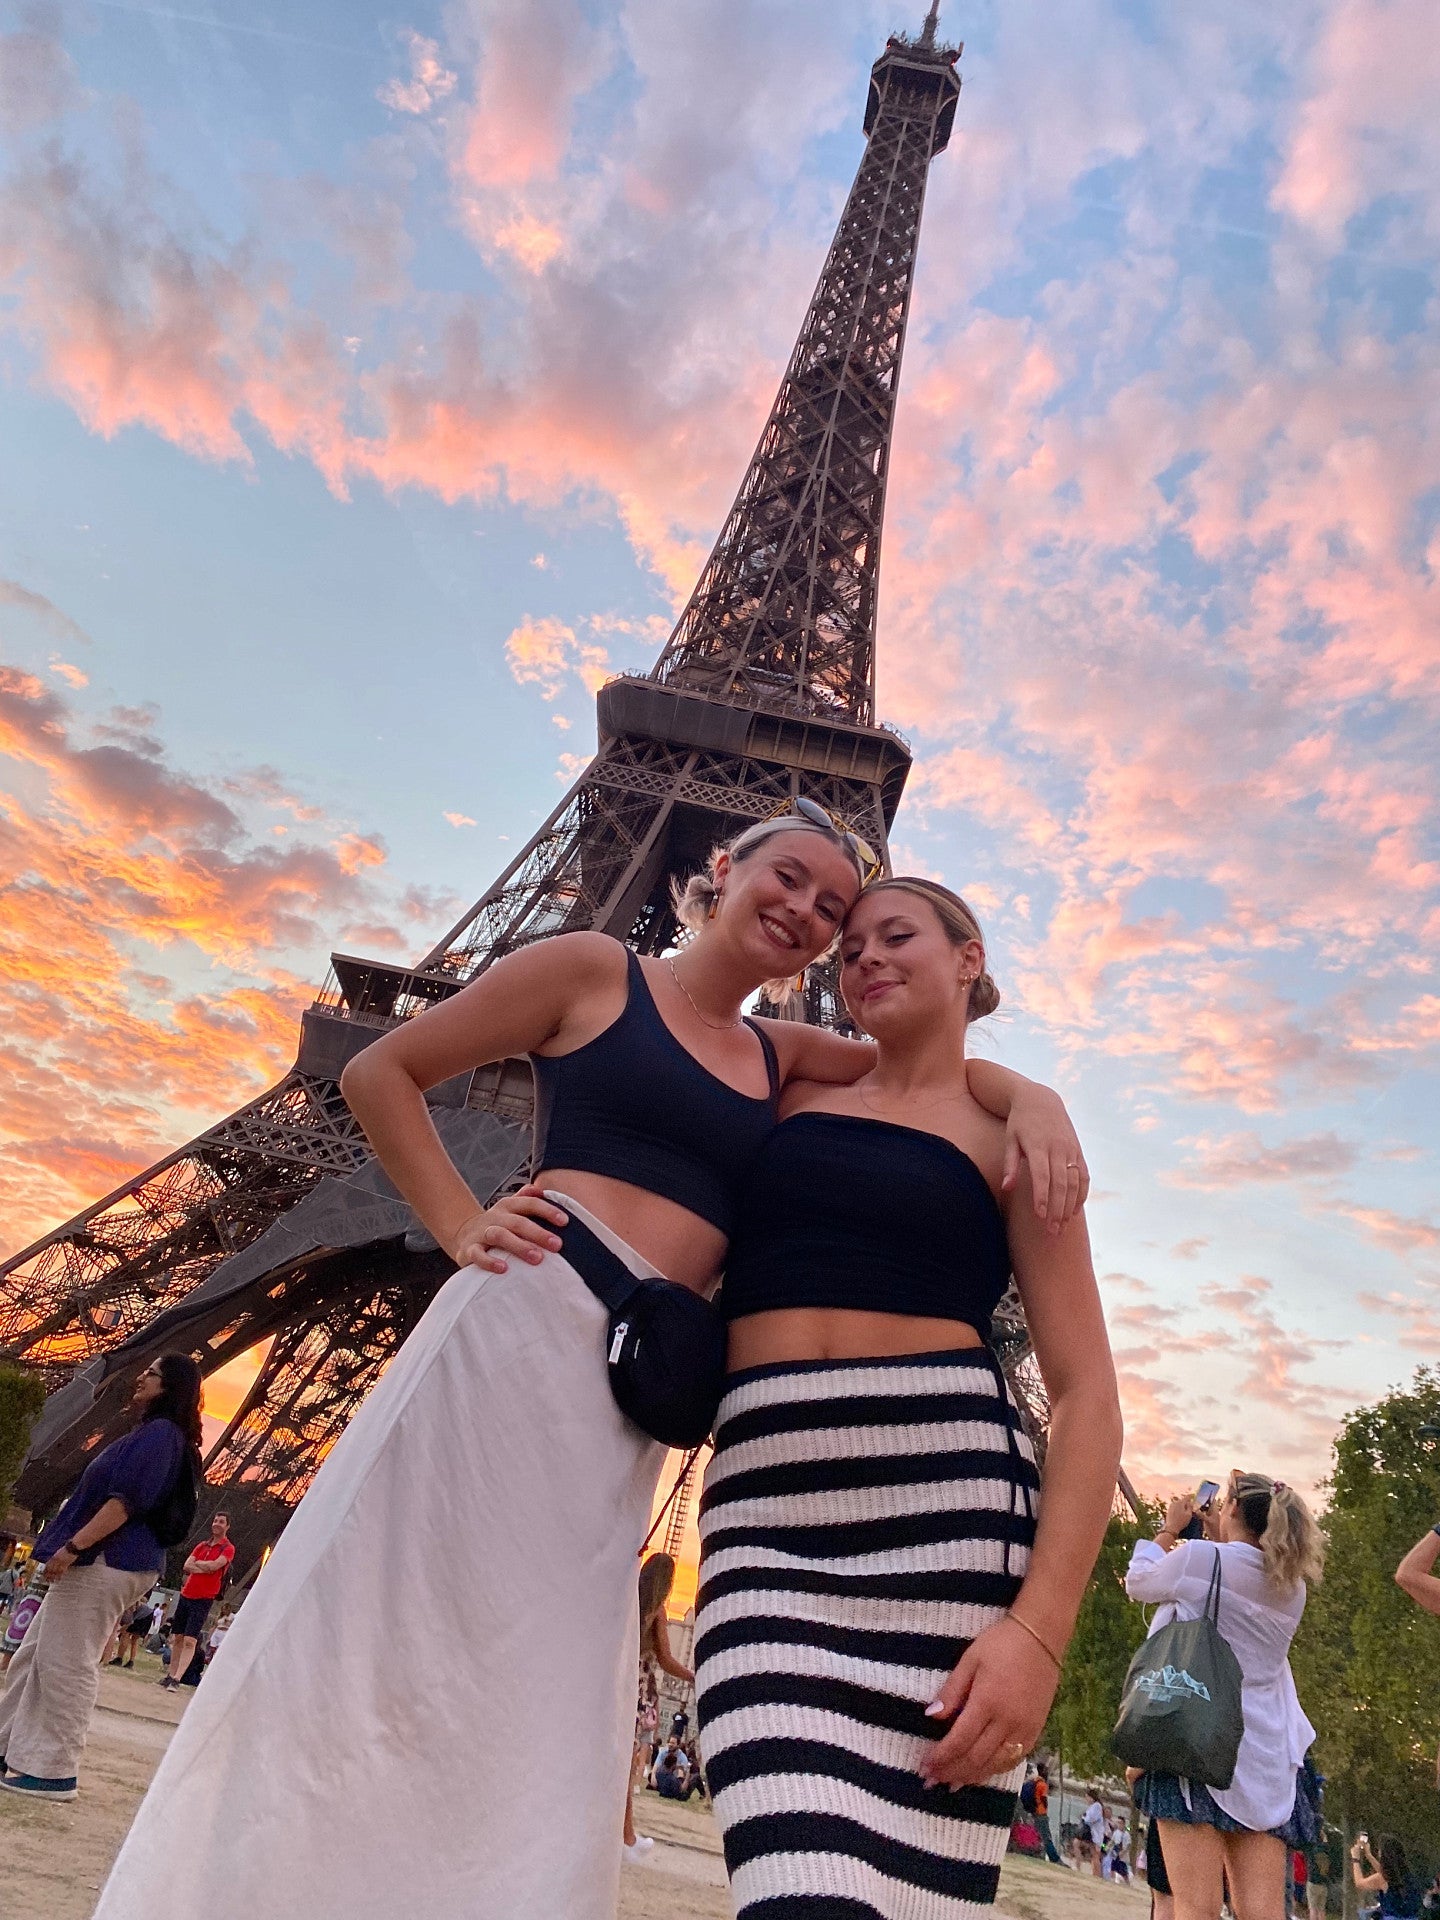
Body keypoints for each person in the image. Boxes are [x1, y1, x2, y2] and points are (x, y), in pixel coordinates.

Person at [93, 814, 1085, 1920]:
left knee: (545, 1691)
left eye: (837, 912)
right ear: (720, 869)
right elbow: (382, 1069)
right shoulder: (591, 968)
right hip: (520, 1331)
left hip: (627, 1396)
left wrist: (1036, 1100)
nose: (814, 919)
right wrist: (460, 1222)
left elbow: (935, 1071)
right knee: (376, 1629)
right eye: (788, 878)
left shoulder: (784, 1057)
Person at [694, 877, 1124, 1918]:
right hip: (766, 1540)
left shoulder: (1011, 1142)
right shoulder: (790, 1082)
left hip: (947, 1546)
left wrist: (1038, 1636)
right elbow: (666, 1069)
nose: (865, 961)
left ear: (968, 961)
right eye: (849, 953)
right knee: (793, 1890)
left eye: (898, 938)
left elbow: (1086, 1391)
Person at [1125, 1472, 1325, 1920]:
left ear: (1230, 1507)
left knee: (1195, 1907)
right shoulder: (1292, 1587)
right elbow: (1239, 1580)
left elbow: (1138, 1582)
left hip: (1198, 1741)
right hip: (1263, 1755)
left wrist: (1169, 1530)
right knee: (1261, 1911)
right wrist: (1219, 1540)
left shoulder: (1199, 1559)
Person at [0, 1355, 200, 1801]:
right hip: (104, 1559)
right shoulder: (158, 1435)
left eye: (150, 1373)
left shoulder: (160, 1436)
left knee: (66, 1663)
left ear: (168, 1387)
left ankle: (53, 1769)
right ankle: (11, 1746)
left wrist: (73, 1548)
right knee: (32, 1657)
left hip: (105, 1559)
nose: (140, 1378)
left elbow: (125, 1503)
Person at [625, 1552, 693, 1862]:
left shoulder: (627, 1601)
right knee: (629, 1764)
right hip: (640, 1691)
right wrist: (694, 1676)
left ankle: (625, 1834)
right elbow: (665, 1658)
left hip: (620, 1682)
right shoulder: (657, 1613)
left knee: (620, 1761)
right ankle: (626, 1837)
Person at [162, 1511, 234, 1692]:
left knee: (190, 1640)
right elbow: (187, 1565)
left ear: (227, 1527)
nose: (217, 1524)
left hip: (204, 1597)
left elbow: (215, 1566)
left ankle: (178, 1678)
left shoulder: (227, 1548)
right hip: (187, 1594)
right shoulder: (202, 1545)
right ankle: (170, 1675)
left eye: (221, 1522)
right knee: (178, 1636)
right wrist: (205, 1566)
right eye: (216, 1520)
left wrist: (200, 1565)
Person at [1352, 1836, 1423, 1918]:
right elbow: (1385, 1872)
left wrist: (1355, 1859)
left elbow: (1359, 1883)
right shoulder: (1406, 1875)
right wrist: (1369, 1855)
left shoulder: (1382, 1878)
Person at [1032, 1761, 1061, 1863]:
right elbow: (1044, 1799)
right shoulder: (1043, 1785)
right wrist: (1045, 1808)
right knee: (1046, 1836)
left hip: (1034, 1811)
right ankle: (1054, 1858)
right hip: (1041, 1812)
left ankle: (1037, 1852)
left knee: (1037, 1834)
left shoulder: (1034, 1782)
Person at [1084, 1790, 1108, 1876]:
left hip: (1097, 1834)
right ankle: (1095, 1872)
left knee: (1095, 1855)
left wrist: (1085, 1819)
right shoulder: (1093, 1806)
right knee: (1094, 1854)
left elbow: (1091, 1819)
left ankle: (1097, 1873)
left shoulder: (1096, 1806)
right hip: (1094, 1833)